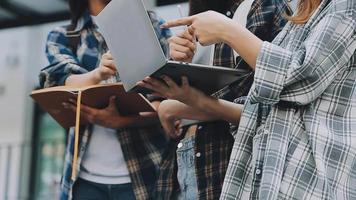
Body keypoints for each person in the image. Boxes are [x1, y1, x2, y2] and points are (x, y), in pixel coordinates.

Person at [141, 0, 356, 199]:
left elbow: (296, 79)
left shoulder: (341, 5)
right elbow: (264, 109)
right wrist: (189, 96)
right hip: (265, 173)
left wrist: (228, 31)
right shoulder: (301, 16)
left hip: (303, 177)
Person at [39, 0, 172, 199]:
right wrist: (98, 74)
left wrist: (124, 121)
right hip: (83, 181)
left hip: (146, 172)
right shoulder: (64, 35)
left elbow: (170, 101)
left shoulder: (152, 26)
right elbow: (62, 84)